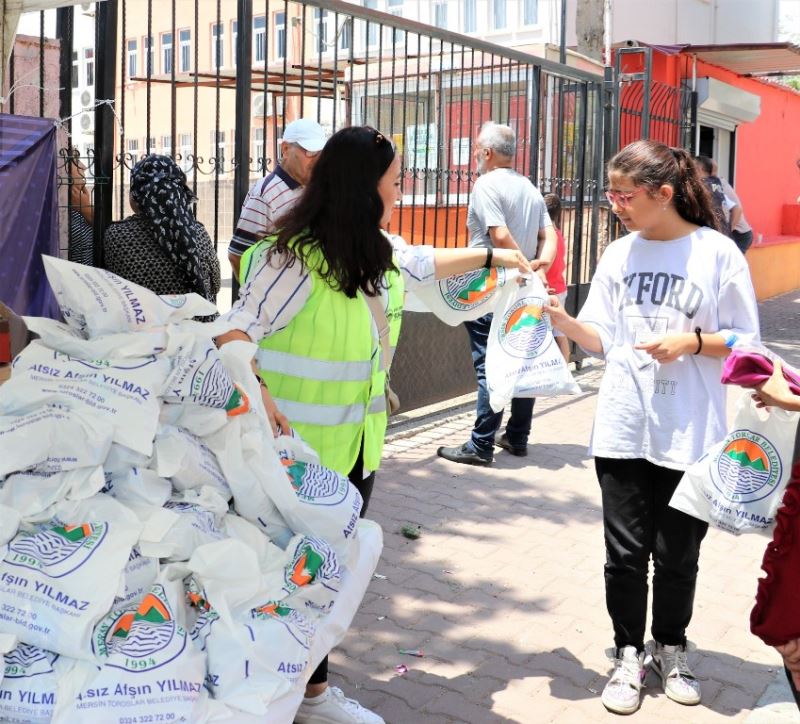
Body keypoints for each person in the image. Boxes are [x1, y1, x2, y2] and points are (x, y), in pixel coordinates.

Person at [215, 125, 531, 724]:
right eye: (395, 181)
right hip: (290, 462)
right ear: (365, 188)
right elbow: (233, 333)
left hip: (356, 453)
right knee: (280, 582)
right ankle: (267, 698)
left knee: (325, 580)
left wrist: (496, 256)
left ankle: (309, 695)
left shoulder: (372, 252)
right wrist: (258, 389)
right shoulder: (292, 259)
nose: (401, 192)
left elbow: (426, 264)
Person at [545, 140, 759, 715]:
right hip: (622, 426)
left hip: (690, 432)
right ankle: (625, 653)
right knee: (623, 556)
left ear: (663, 194)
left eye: (624, 193)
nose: (614, 203)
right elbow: (602, 337)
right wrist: (565, 321)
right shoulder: (618, 255)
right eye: (610, 192)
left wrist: (691, 341)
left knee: (679, 555)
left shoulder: (717, 254)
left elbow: (747, 342)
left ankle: (670, 647)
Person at [436, 121, 557, 466]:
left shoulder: (486, 184)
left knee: (490, 364)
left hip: (491, 286)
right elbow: (549, 236)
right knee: (522, 358)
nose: (475, 155)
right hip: (525, 287)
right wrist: (538, 269)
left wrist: (520, 268)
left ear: (487, 153)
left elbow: (500, 236)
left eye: (477, 149)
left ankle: (481, 445)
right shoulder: (530, 188)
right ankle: (518, 437)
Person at [103, 155, 220, 316]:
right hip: (200, 335)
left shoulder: (117, 235)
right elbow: (215, 286)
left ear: (136, 195)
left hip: (144, 334)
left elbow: (113, 289)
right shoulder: (198, 233)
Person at [228, 118, 326, 279]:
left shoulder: (318, 189)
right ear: (286, 149)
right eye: (310, 152)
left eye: (320, 153)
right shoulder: (265, 194)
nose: (316, 160)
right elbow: (238, 255)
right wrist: (258, 298)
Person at [544, 192, 570, 361]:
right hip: (560, 287)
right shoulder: (558, 234)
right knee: (560, 332)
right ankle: (565, 367)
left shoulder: (548, 237)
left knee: (551, 333)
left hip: (551, 289)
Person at [712, 159, 753, 254]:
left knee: (731, 264)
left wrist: (727, 233)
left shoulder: (718, 185)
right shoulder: (714, 184)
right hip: (734, 231)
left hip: (739, 233)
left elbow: (737, 210)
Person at [695, 155, 734, 237]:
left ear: (699, 169)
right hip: (723, 232)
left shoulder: (702, 185)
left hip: (712, 233)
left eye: (691, 167)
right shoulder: (716, 182)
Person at [67, 156, 94, 266]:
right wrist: (87, 209)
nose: (84, 166)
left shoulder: (78, 207)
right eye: (76, 160)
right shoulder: (63, 215)